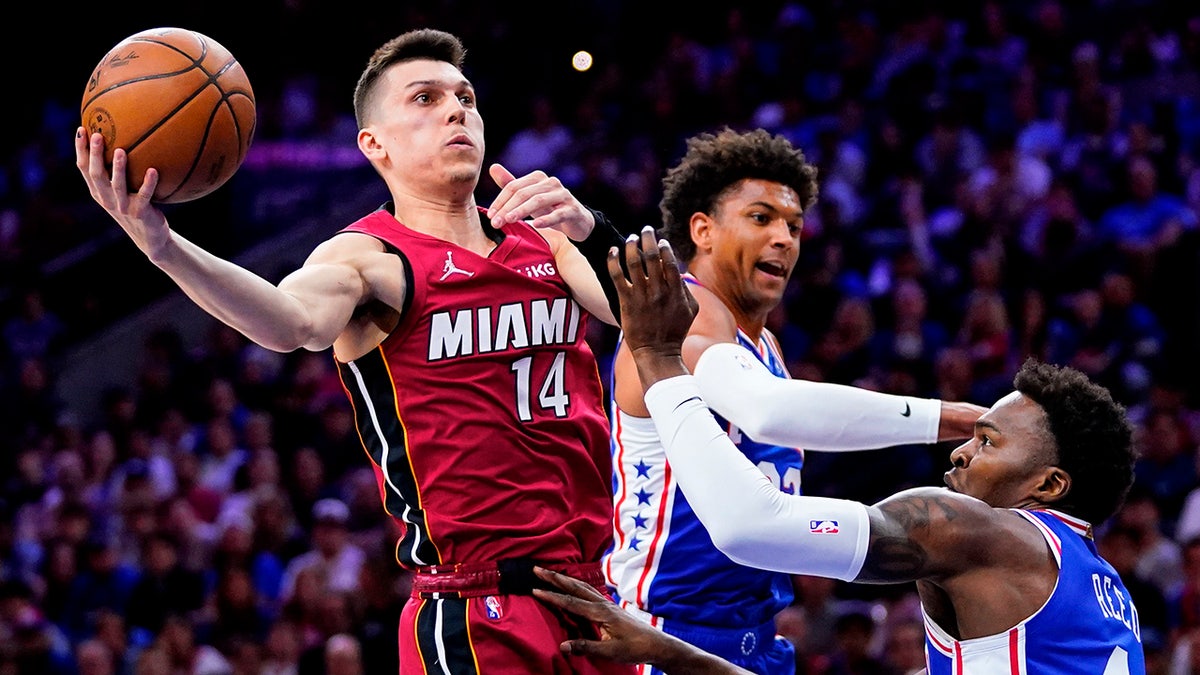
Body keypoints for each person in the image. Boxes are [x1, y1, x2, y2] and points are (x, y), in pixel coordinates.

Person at [76, 27, 633, 674]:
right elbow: (290, 323)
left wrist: (596, 230)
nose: (457, 109)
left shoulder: (550, 241)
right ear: (376, 144)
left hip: (599, 592)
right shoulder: (368, 257)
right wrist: (163, 246)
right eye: (425, 98)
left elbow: (669, 325)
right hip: (480, 607)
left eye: (466, 96)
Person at [536, 231, 1147, 673]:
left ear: (1048, 485)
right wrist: (668, 652)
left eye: (987, 441)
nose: (961, 453)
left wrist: (660, 360)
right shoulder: (1101, 593)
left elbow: (749, 525)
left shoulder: (972, 531)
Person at [604, 127, 986, 674]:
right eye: (761, 218)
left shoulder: (765, 345)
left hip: (756, 635)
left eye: (794, 226)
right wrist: (957, 418)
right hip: (662, 631)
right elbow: (769, 409)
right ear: (703, 230)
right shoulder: (681, 310)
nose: (784, 237)